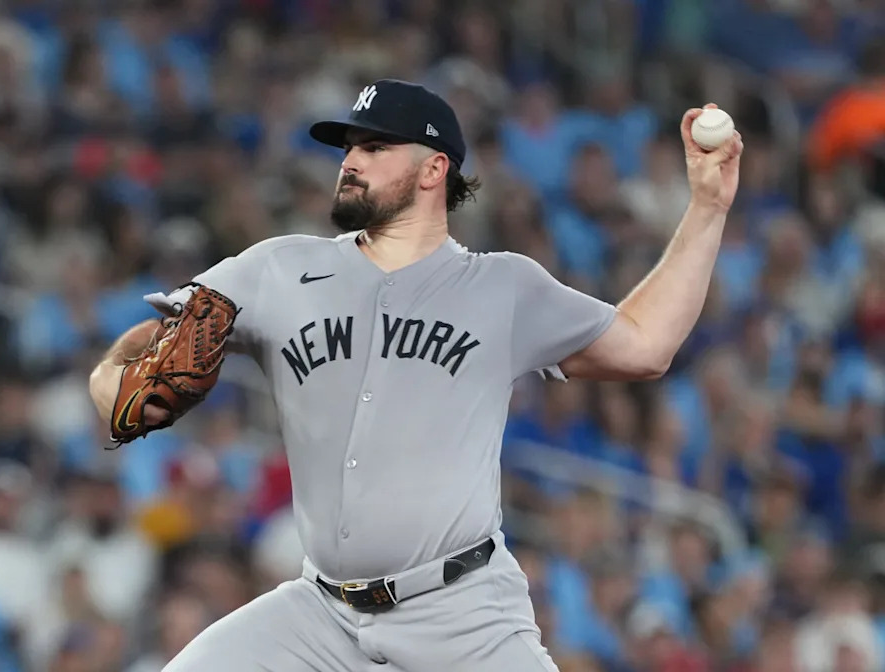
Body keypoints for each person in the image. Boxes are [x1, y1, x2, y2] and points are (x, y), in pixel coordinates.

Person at [88, 79, 743, 671]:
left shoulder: (501, 286)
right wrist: (121, 374)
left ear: (435, 168)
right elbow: (135, 375)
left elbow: (646, 345)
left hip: (463, 616)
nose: (350, 161)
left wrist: (707, 209)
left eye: (374, 147)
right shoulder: (274, 270)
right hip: (320, 618)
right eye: (348, 147)